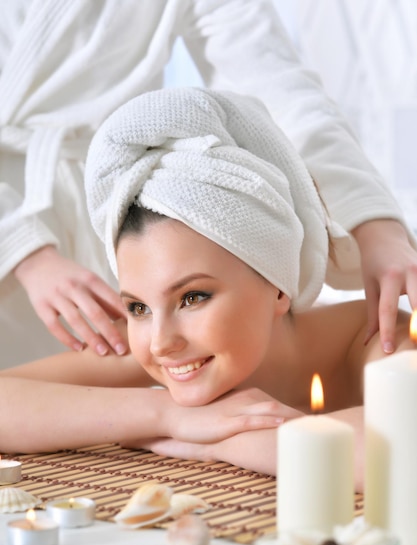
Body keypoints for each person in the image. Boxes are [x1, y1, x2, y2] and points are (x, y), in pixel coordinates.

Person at [0, 87, 413, 492]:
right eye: (138, 307)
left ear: (277, 285)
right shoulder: (166, 353)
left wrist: (223, 441)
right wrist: (165, 416)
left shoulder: (378, 338)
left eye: (192, 298)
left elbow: (402, 450)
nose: (161, 342)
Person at [1, 0, 416, 368]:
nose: (160, 337)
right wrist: (26, 254)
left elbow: (281, 90)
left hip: (123, 224)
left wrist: (374, 223)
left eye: (194, 297)